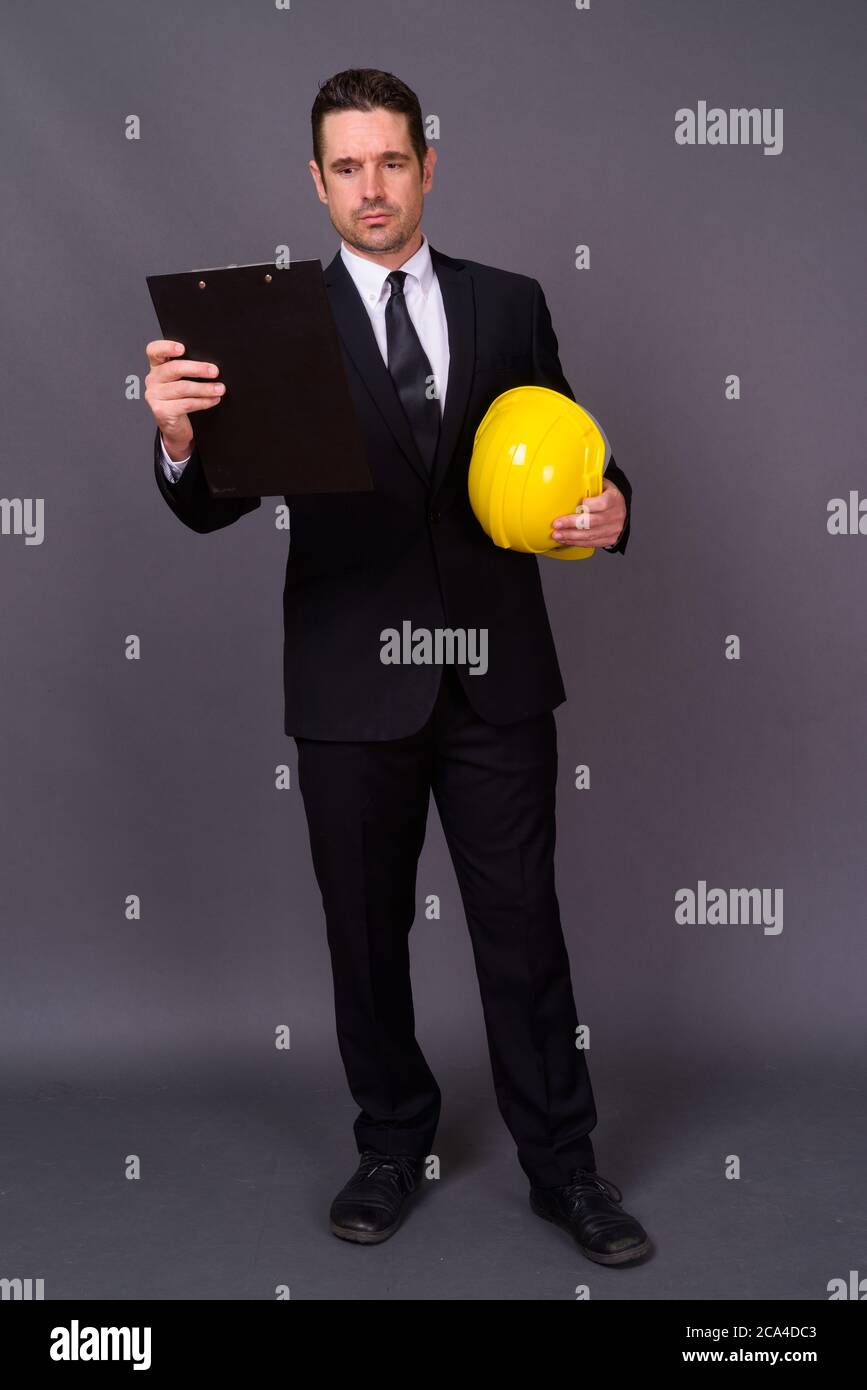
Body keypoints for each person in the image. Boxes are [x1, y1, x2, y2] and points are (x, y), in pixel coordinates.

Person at [145, 67, 651, 1267]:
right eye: (348, 167)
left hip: (496, 677)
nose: (373, 187)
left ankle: (566, 1170)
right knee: (363, 932)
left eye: (392, 160)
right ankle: (388, 1145)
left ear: (428, 164)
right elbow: (215, 507)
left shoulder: (510, 304)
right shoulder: (272, 325)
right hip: (348, 682)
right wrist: (177, 444)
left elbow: (578, 450)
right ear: (315, 183)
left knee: (524, 929)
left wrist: (616, 506)